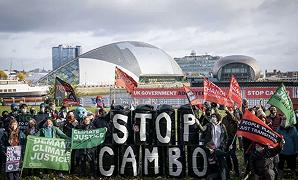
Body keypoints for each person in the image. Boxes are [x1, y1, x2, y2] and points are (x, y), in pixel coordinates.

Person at [201, 109, 228, 179]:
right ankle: (212, 176)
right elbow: (202, 131)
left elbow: (225, 138)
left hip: (219, 149)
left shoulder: (222, 126)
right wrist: (198, 123)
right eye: (212, 116)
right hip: (211, 149)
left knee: (222, 164)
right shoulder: (208, 125)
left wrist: (223, 147)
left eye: (214, 116)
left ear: (218, 118)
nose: (213, 118)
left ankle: (223, 177)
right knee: (212, 164)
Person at [222, 106, 240, 177]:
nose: (229, 110)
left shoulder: (235, 117)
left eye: (230, 109)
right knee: (227, 155)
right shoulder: (224, 118)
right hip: (226, 139)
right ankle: (229, 169)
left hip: (232, 139)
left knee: (233, 155)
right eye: (228, 109)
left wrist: (227, 111)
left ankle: (237, 171)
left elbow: (234, 119)